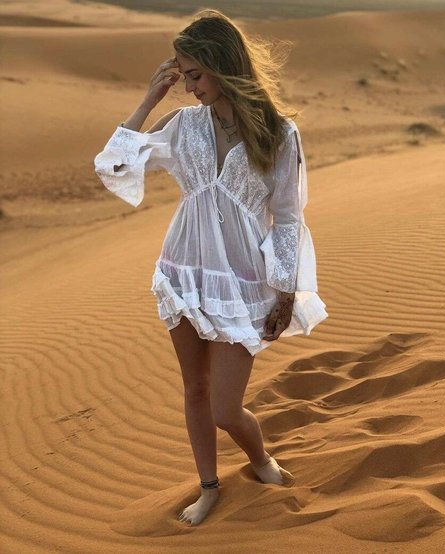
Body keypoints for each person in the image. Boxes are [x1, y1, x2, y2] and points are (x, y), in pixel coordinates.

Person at [94, 9, 328, 526]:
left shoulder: (278, 133)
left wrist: (285, 291)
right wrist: (148, 101)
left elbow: (289, 218)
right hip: (183, 272)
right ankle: (208, 488)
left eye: (195, 74)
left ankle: (260, 458)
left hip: (242, 282)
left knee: (225, 408)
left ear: (224, 65)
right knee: (195, 391)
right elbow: (114, 166)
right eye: (182, 76)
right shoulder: (184, 126)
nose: (189, 87)